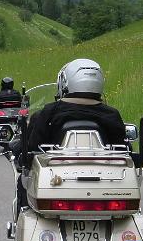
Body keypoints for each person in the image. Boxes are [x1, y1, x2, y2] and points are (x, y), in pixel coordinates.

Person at [12, 59, 125, 219]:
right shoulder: (112, 115)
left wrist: (18, 148)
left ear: (65, 82)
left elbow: (31, 147)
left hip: (56, 183)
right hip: (105, 184)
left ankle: (21, 218)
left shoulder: (48, 113)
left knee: (23, 183)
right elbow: (123, 150)